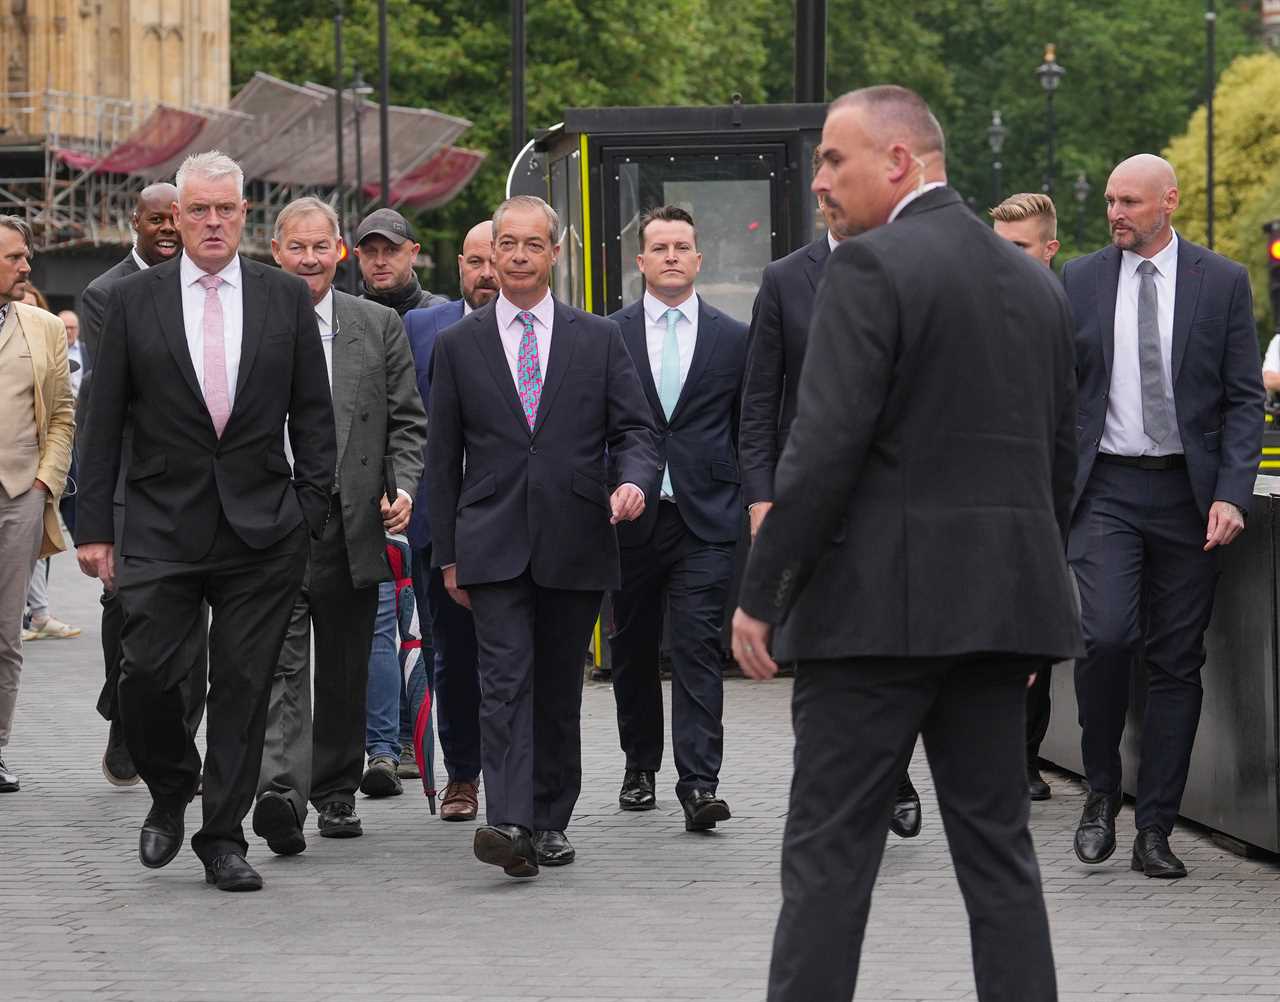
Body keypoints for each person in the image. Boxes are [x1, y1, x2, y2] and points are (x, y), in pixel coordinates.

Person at [731, 86, 1080, 1002]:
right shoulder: (1037, 286)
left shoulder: (870, 269)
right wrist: (1032, 597)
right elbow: (1059, 464)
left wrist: (762, 593)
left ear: (899, 161)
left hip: (872, 621)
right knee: (1001, 864)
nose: (818, 184)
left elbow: (822, 450)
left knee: (828, 865)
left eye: (833, 161)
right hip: (1001, 615)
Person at [75, 151, 336, 892]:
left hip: (263, 529)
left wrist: (307, 513)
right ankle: (169, 787)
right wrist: (95, 528)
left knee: (244, 688)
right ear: (177, 218)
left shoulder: (285, 297)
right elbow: (100, 424)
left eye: (226, 209)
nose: (213, 222)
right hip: (160, 523)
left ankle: (222, 836)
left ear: (243, 215)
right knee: (147, 676)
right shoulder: (133, 301)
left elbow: (313, 416)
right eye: (199, 210)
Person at [427, 195, 658, 876]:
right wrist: (447, 556)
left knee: (557, 686)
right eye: (508, 244)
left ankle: (551, 818)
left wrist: (634, 482)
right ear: (492, 254)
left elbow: (637, 431)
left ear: (556, 254)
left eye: (534, 244)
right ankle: (510, 822)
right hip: (491, 543)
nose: (520, 256)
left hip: (577, 536)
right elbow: (441, 461)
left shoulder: (597, 338)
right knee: (502, 682)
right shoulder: (458, 345)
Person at [1065, 154, 1264, 879]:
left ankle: (1155, 828)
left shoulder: (1222, 281)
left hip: (1187, 495)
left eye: (1129, 201)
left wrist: (1232, 492)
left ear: (1169, 202)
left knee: (1177, 661)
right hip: (1108, 490)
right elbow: (1063, 390)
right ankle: (1099, 794)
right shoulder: (1081, 278)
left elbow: (1246, 397)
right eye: (1110, 199)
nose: (1114, 212)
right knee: (1106, 636)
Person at [738, 150, 923, 841]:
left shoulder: (905, 270)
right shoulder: (786, 280)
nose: (827, 195)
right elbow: (759, 401)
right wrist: (761, 496)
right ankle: (838, 783)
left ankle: (894, 771)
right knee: (821, 651)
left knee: (889, 643)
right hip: (808, 502)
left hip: (888, 502)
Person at [252, 196, 426, 853]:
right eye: (296, 248)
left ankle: (333, 794)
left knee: (346, 670)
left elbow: (409, 420)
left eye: (320, 247)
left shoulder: (378, 325)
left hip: (354, 524)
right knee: (283, 669)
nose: (308, 259)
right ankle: (282, 795)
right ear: (276, 252)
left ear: (339, 253)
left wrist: (403, 486)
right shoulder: (254, 322)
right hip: (274, 524)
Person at [606, 205, 746, 829]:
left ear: (697, 259)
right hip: (628, 517)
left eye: (681, 246)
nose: (670, 256)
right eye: (658, 247)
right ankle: (640, 768)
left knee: (696, 648)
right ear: (640, 262)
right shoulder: (609, 335)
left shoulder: (732, 337)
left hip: (705, 516)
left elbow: (749, 425)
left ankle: (699, 783)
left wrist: (748, 492)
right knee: (632, 648)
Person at [78, 182, 205, 788]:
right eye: (156, 219)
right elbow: (110, 405)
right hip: (135, 476)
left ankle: (176, 735)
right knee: (124, 605)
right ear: (135, 221)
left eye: (176, 220)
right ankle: (123, 716)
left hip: (198, 481)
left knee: (189, 614)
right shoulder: (106, 296)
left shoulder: (202, 289)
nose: (167, 231)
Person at [402, 220, 499, 821]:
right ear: (458, 264)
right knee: (452, 656)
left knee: (515, 657)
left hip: (515, 517)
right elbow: (411, 424)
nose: (488, 273)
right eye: (477, 261)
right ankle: (463, 774)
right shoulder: (421, 327)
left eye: (499, 258)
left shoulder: (540, 328)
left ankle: (521, 772)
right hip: (442, 521)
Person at [352, 206, 446, 791]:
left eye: (391, 249)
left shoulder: (440, 319)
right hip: (368, 494)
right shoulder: (342, 317)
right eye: (369, 250)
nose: (380, 259)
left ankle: (424, 744)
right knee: (380, 622)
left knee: (430, 625)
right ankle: (384, 747)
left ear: (414, 252)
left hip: (428, 490)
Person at [990, 191, 1064, 802]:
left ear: (1049, 250)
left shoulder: (1069, 310)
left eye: (1017, 248)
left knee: (1038, 630)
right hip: (986, 497)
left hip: (1053, 495)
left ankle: (1024, 752)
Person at [0, 216, 75, 793]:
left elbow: (63, 415)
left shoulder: (45, 327)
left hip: (18, 496)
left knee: (5, 634)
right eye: (15, 257)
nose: (27, 267)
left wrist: (45, 483)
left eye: (26, 257)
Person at [353, 208, 448, 317]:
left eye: (391, 251)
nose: (380, 262)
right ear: (358, 256)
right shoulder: (345, 318)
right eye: (370, 252)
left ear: (413, 253)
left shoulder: (441, 314)